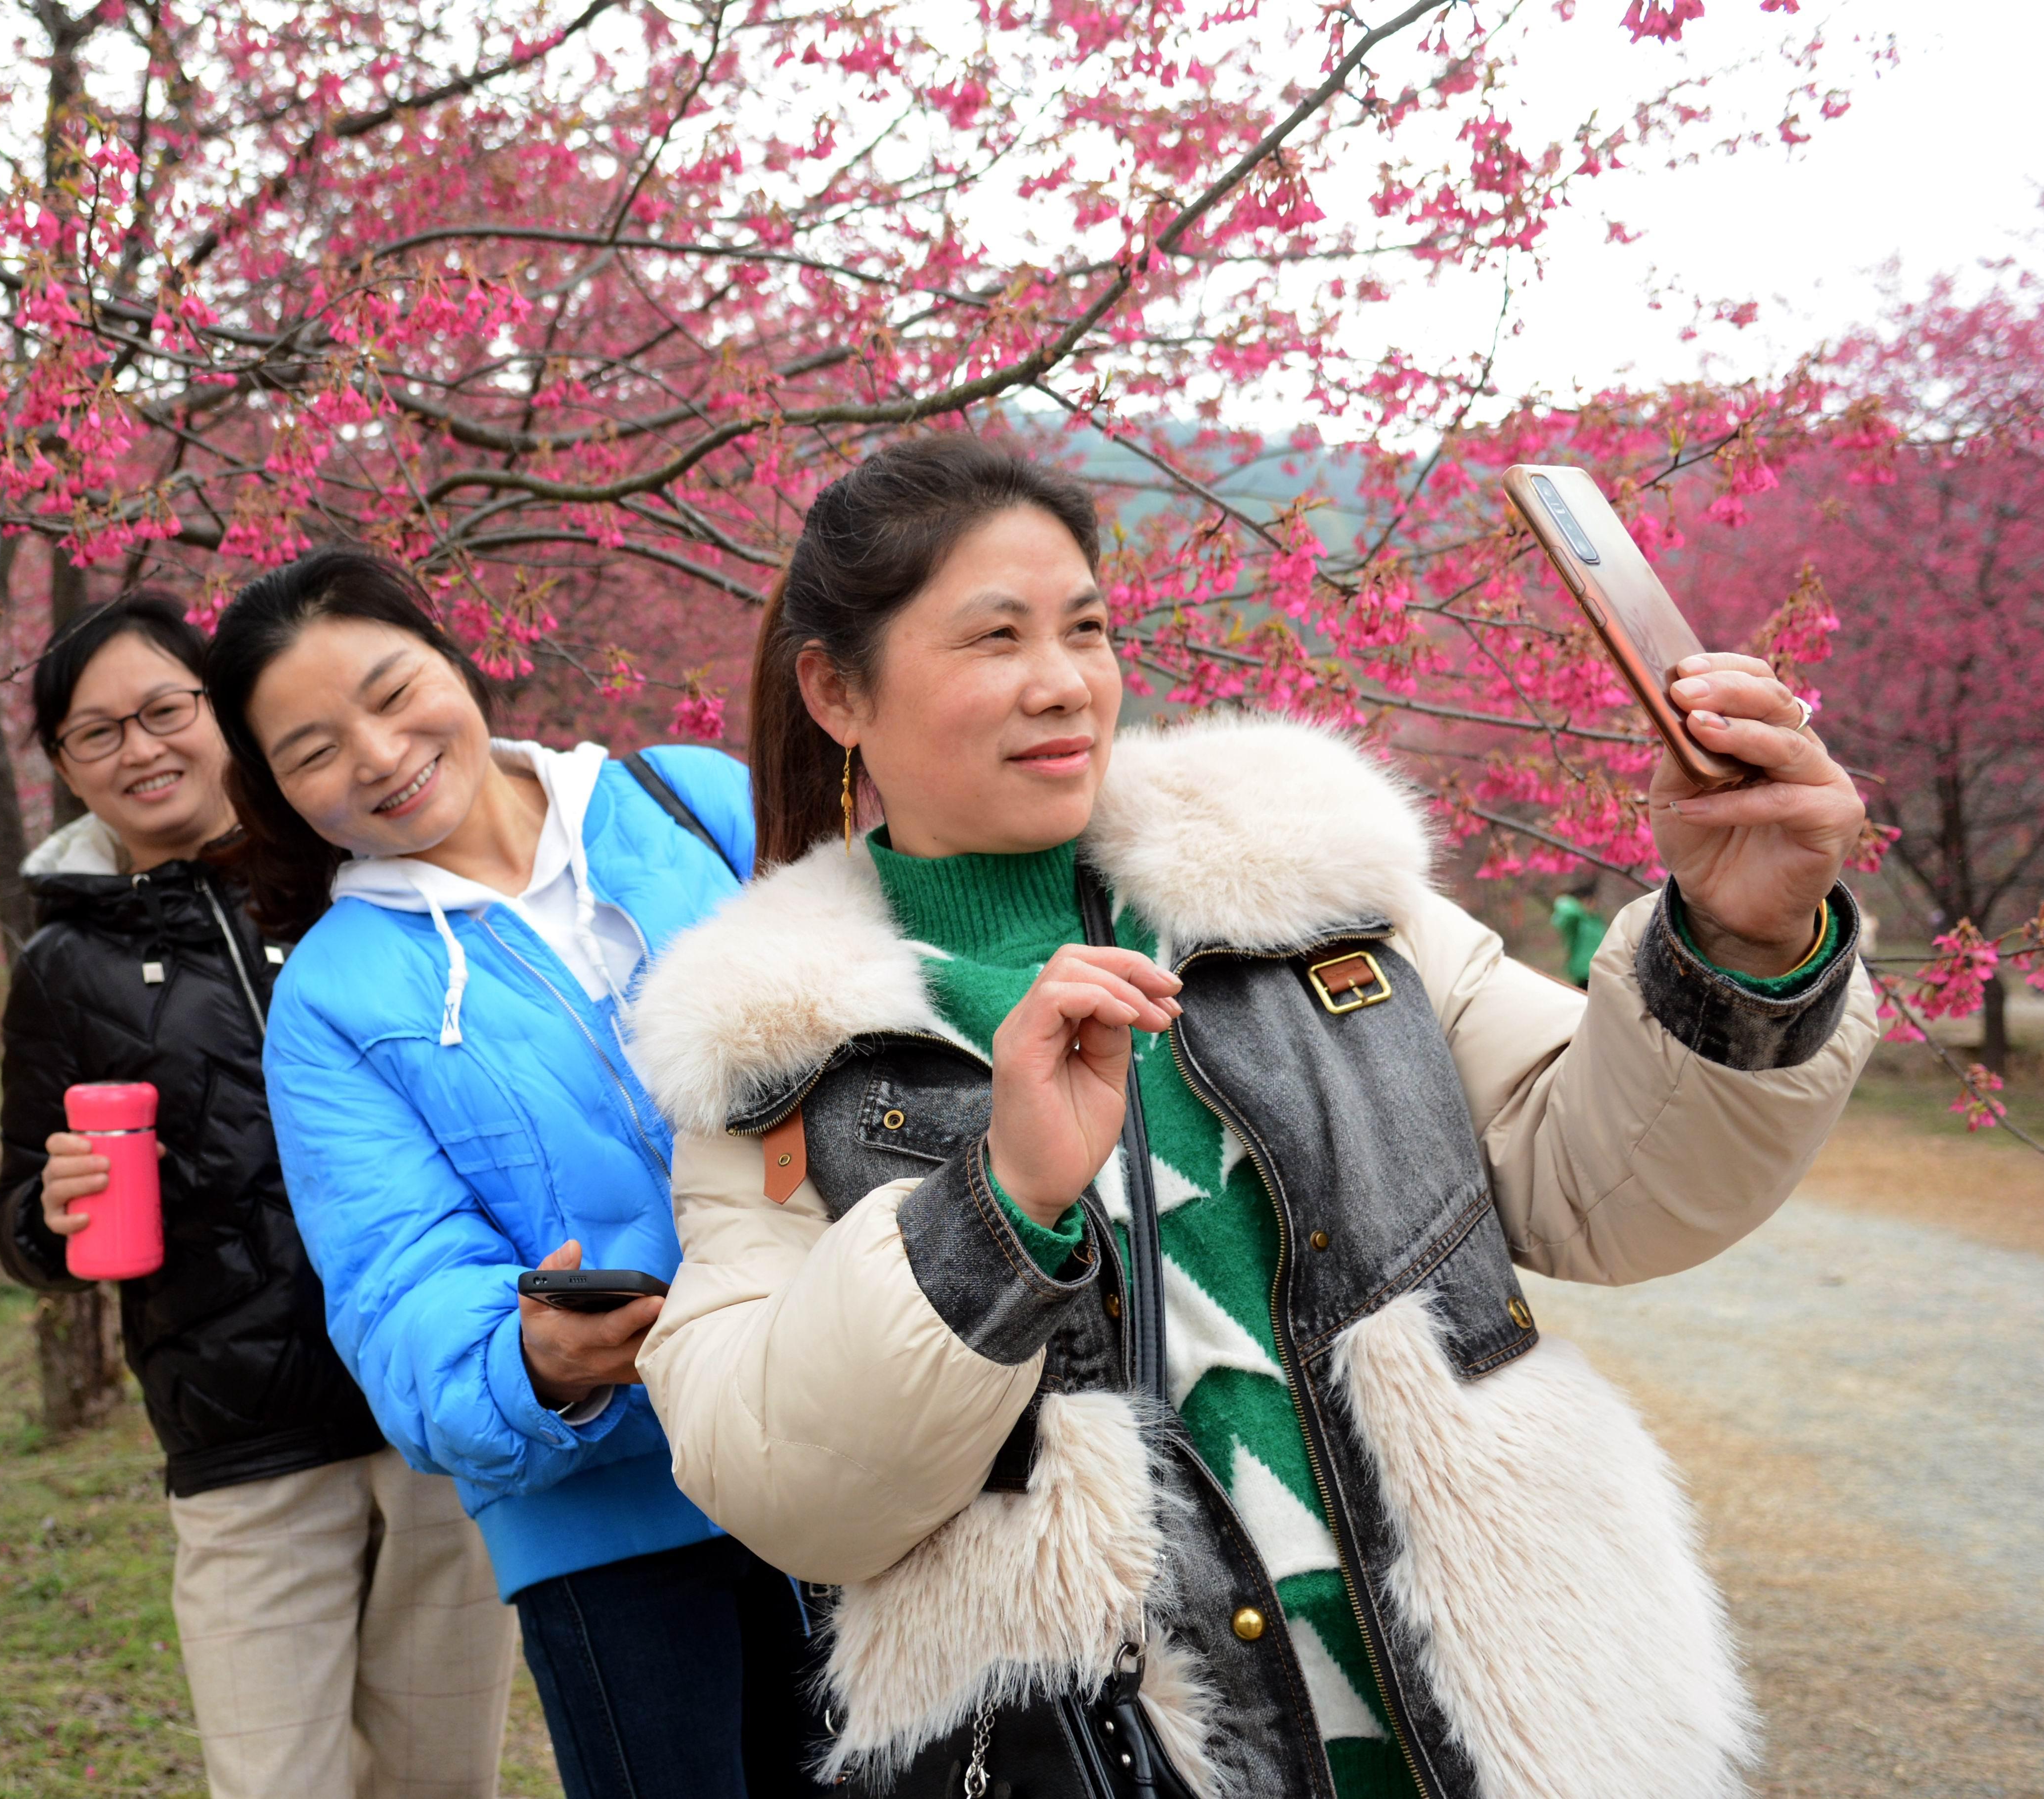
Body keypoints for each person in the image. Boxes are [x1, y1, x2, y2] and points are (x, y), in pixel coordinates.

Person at [623, 435, 1877, 1799]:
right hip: (1113, 1762)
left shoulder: (1307, 895)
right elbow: (787, 1484)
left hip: (1516, 1725)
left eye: (1085, 628)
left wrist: (1744, 943)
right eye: (993, 638)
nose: (1062, 684)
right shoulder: (776, 1053)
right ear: (835, 691)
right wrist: (998, 1207)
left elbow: (1613, 1185)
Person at [210, 547, 820, 1799]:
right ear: (276, 790)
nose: (378, 755)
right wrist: (531, 1360)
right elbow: (400, 1283)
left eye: (392, 691)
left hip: (851, 1427)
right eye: (313, 749)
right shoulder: (330, 998)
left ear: (453, 652)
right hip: (618, 1523)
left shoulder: (692, 802)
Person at [0, 590, 512, 1799]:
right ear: (67, 765)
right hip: (243, 1440)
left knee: (444, 1777)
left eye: (167, 709)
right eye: (98, 732)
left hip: (428, 1396)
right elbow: (25, 1220)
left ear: (226, 716)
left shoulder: (365, 876)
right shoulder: (62, 965)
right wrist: (52, 1214)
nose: (142, 747)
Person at [1551, 877, 1612, 987]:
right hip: (1584, 972)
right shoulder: (1576, 920)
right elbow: (1568, 913)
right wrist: (1566, 899)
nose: (1593, 905)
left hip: (1601, 970)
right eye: (1590, 901)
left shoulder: (1595, 920)